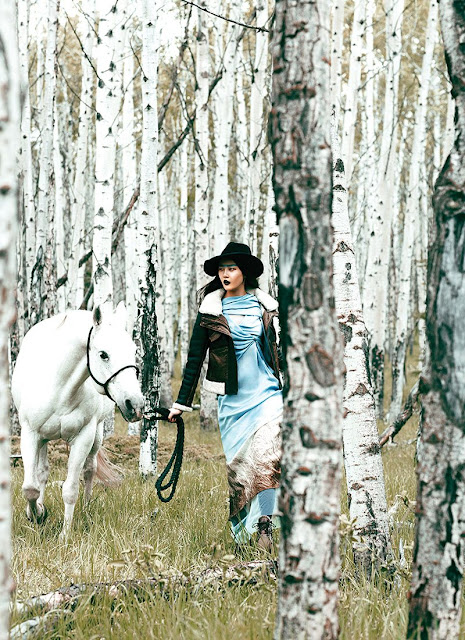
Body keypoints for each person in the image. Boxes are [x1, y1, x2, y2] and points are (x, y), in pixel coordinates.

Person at [168, 242, 283, 550]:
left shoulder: (266, 307)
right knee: (242, 471)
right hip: (232, 403)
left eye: (232, 268)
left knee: (268, 459)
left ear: (244, 272)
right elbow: (195, 359)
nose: (225, 274)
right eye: (221, 269)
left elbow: (283, 351)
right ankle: (245, 533)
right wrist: (181, 403)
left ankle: (266, 526)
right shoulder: (210, 311)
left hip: (268, 395)